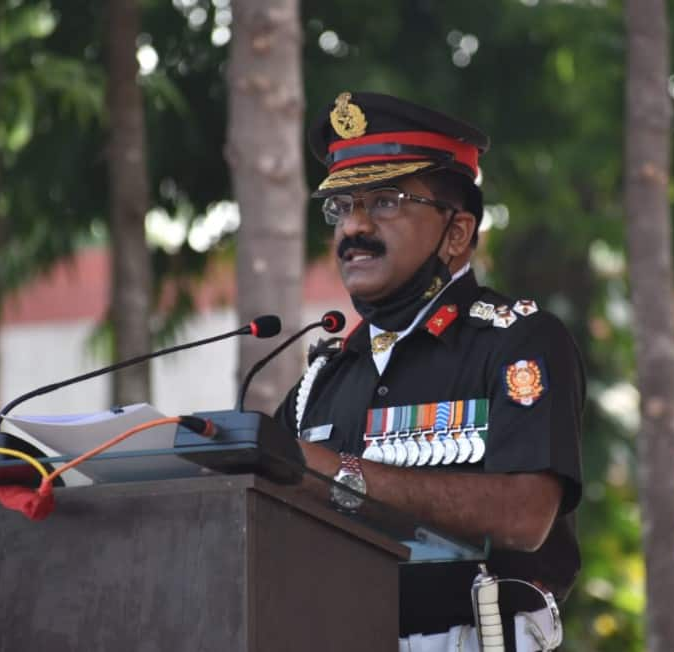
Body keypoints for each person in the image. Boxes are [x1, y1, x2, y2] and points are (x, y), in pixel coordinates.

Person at [274, 91, 585, 651]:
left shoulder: (518, 341)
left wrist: (342, 475)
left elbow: (525, 515)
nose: (354, 228)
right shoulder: (324, 377)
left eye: (386, 201)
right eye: (343, 207)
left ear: (458, 233)